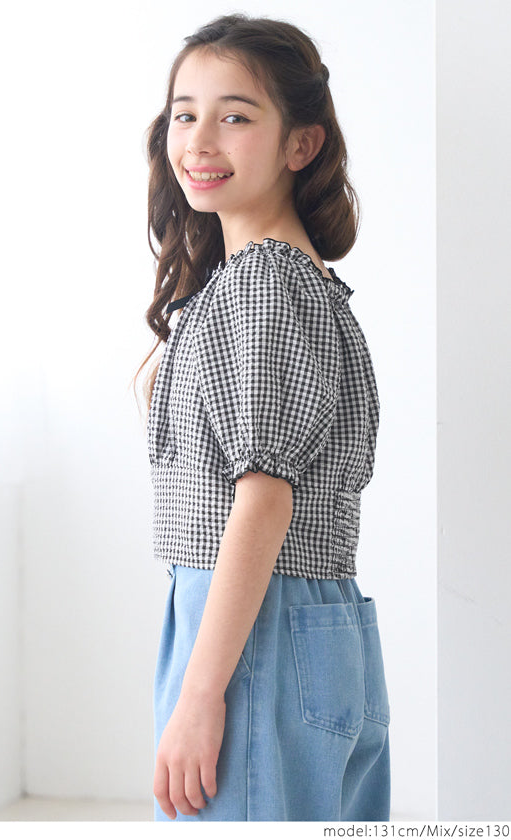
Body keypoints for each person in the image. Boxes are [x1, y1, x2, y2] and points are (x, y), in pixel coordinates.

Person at [134, 13, 390, 822]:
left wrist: (200, 694)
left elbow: (263, 500)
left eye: (236, 116)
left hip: (253, 627)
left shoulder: (263, 284)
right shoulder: (292, 282)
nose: (199, 140)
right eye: (184, 114)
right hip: (315, 620)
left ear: (300, 144)